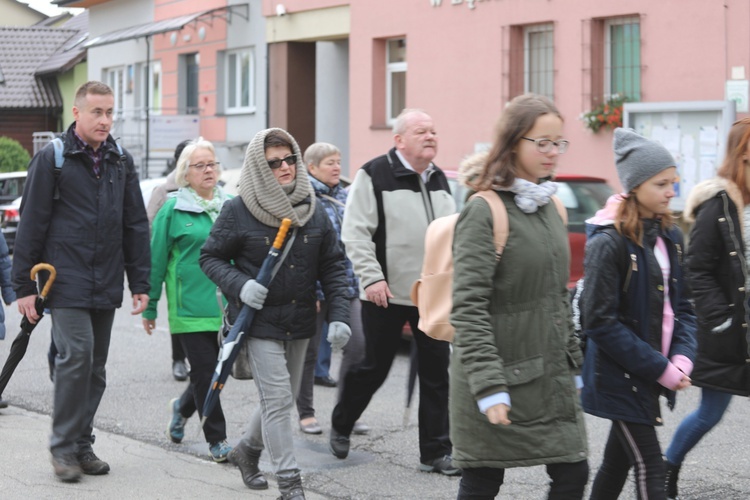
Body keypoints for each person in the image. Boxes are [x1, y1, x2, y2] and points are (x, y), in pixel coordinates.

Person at [449, 94, 589, 499]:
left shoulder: (551, 207)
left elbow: (557, 299)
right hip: (497, 379)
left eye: (559, 142)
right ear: (513, 143)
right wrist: (490, 386)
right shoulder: (484, 210)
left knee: (573, 474)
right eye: (541, 142)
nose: (552, 153)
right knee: (483, 480)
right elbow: (469, 308)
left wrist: (573, 364)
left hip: (550, 377)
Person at [200, 128, 350, 500]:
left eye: (289, 159)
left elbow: (333, 265)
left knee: (277, 399)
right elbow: (210, 257)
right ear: (258, 167)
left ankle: (247, 452)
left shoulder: (313, 208)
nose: (284, 167)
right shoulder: (238, 209)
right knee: (280, 401)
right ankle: (290, 483)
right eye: (274, 163)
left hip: (301, 321)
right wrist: (241, 285)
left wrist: (341, 315)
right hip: (259, 322)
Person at [11, 81, 150, 482]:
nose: (105, 120)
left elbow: (135, 225)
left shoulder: (120, 160)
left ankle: (81, 442)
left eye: (110, 112)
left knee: (96, 368)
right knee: (77, 357)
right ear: (77, 113)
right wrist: (24, 287)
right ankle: (63, 448)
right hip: (64, 280)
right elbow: (31, 225)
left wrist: (140, 281)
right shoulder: (52, 158)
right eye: (97, 112)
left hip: (105, 280)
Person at [329, 108, 459, 476]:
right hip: (385, 293)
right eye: (422, 131)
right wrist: (371, 278)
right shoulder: (374, 174)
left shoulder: (438, 179)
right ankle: (342, 422)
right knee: (374, 367)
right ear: (399, 139)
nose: (431, 136)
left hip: (431, 295)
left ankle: (435, 452)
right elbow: (355, 232)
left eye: (434, 130)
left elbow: (451, 236)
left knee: (437, 372)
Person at [581, 128, 697, 499]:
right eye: (661, 184)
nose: (671, 192)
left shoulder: (671, 236)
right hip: (620, 377)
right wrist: (661, 368)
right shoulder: (608, 241)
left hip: (651, 372)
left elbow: (684, 309)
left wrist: (681, 357)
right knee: (650, 465)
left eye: (673, 183)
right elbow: (598, 321)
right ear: (635, 186)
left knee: (617, 464)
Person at [662, 117, 750, 499]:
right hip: (728, 330)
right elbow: (695, 269)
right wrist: (721, 318)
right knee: (710, 413)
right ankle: (665, 470)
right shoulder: (717, 207)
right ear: (743, 156)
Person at [142, 137, 233, 462]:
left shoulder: (231, 205)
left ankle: (181, 408)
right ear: (185, 173)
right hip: (188, 307)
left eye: (212, 164)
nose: (209, 170)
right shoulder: (172, 209)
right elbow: (156, 259)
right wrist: (150, 305)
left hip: (226, 307)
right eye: (200, 165)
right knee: (207, 372)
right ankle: (217, 440)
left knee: (217, 374)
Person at [295, 142, 368, 436]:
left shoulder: (345, 198)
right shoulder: (304, 200)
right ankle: (306, 413)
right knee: (308, 352)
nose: (337, 167)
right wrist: (308, 289)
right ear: (311, 167)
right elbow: (301, 251)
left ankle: (346, 413)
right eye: (330, 163)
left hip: (346, 286)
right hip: (313, 291)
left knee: (358, 348)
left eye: (339, 161)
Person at [146, 139, 192, 382]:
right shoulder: (164, 191)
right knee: (180, 311)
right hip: (176, 264)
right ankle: (178, 359)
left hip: (206, 267)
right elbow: (150, 225)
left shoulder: (213, 192)